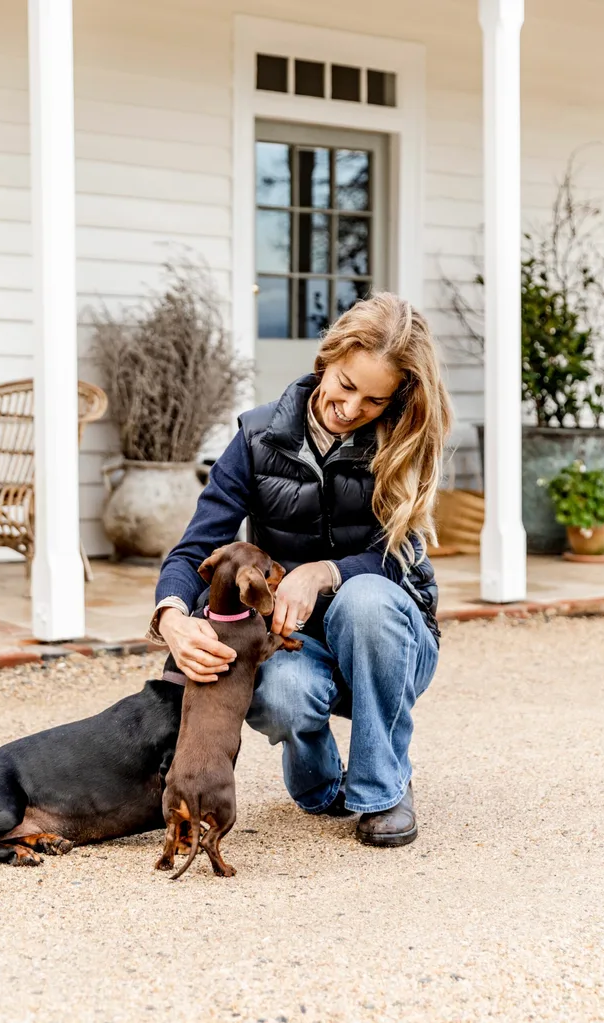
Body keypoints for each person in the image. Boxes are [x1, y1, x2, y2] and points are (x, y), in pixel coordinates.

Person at [147, 292, 452, 847]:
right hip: (296, 641)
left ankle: (383, 788)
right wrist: (170, 617)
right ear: (326, 359)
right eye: (346, 384)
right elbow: (197, 549)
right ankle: (319, 779)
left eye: (374, 400)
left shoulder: (404, 441)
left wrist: (321, 571)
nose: (352, 408)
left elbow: (400, 556)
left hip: (390, 639)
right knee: (280, 694)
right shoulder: (256, 437)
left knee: (365, 600)